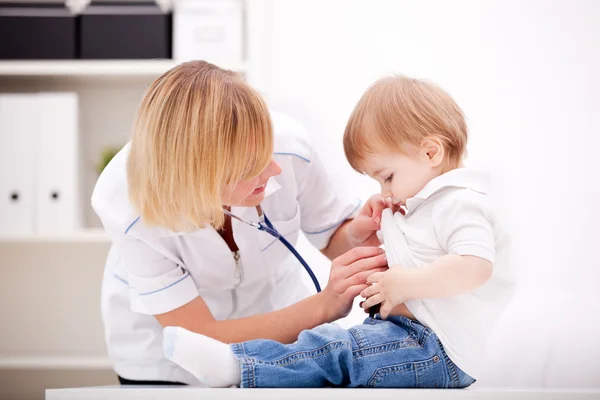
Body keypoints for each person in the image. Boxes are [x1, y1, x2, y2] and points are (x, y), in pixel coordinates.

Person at [161, 75, 517, 388]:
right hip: (405, 338)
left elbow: (475, 267)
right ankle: (241, 362)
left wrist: (402, 283)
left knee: (336, 352)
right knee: (329, 345)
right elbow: (417, 259)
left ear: (431, 152)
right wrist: (382, 228)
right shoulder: (424, 208)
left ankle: (239, 367)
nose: (385, 191)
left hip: (437, 351)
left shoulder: (463, 203)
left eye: (387, 176)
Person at [91, 60, 395, 385]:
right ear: (197, 176)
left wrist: (355, 236)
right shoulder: (125, 203)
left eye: (268, 150)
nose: (275, 170)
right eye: (251, 166)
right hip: (168, 352)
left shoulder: (289, 147)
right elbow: (200, 336)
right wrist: (322, 307)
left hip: (280, 317)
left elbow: (332, 232)